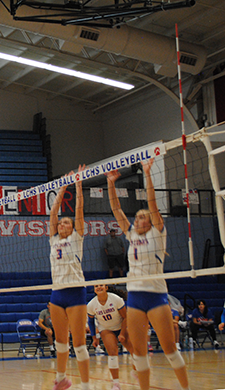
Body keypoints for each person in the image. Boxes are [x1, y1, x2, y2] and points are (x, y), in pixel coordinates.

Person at [106, 158, 190, 390]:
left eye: (144, 217)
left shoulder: (157, 234)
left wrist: (148, 172)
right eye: (138, 217)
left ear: (151, 221)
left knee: (169, 349)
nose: (139, 219)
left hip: (155, 297)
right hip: (134, 299)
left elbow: (153, 203)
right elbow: (116, 209)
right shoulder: (131, 234)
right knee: (139, 353)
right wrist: (111, 183)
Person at [47, 165, 89, 390]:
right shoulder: (53, 240)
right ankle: (61, 379)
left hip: (75, 291)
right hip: (57, 293)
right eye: (61, 223)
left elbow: (80, 210)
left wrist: (79, 185)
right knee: (61, 342)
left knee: (79, 344)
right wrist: (62, 187)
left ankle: (86, 385)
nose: (62, 224)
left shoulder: (76, 238)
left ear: (72, 228)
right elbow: (53, 213)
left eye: (66, 223)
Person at [87, 285, 135, 390]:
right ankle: (116, 383)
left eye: (101, 285)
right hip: (106, 329)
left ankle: (137, 371)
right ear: (94, 289)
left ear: (106, 287)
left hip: (121, 325)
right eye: (96, 286)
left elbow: (125, 317)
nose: (99, 287)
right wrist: (94, 338)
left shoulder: (116, 299)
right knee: (113, 353)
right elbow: (90, 322)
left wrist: (122, 333)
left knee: (134, 351)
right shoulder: (91, 304)